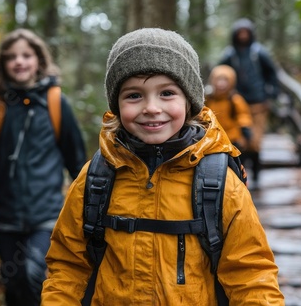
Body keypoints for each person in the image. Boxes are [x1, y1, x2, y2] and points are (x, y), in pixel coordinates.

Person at [41, 28, 284, 304]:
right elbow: (68, 267)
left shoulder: (218, 183)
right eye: (134, 95)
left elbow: (251, 276)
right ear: (117, 105)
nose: (151, 107)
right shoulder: (96, 177)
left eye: (167, 93)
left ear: (189, 101)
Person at [0, 28, 87, 306]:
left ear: (39, 61)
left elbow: (77, 161)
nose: (19, 61)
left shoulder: (55, 102)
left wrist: (91, 205)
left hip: (47, 214)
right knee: (14, 284)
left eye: (26, 55)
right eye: (12, 57)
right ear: (3, 64)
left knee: (34, 274)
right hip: (6, 215)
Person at [219, 18, 280, 186]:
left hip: (258, 103)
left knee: (255, 142)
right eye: (240, 33)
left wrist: (272, 92)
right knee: (241, 142)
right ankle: (242, 177)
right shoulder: (229, 54)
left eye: (246, 32)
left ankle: (257, 176)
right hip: (237, 104)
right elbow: (220, 73)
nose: (243, 36)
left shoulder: (259, 52)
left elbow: (272, 73)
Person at [205, 64, 253, 153]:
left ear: (231, 82)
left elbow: (243, 116)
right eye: (218, 79)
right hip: (213, 139)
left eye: (225, 80)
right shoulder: (209, 99)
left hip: (232, 139)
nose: (221, 83)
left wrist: (245, 132)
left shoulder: (235, 99)